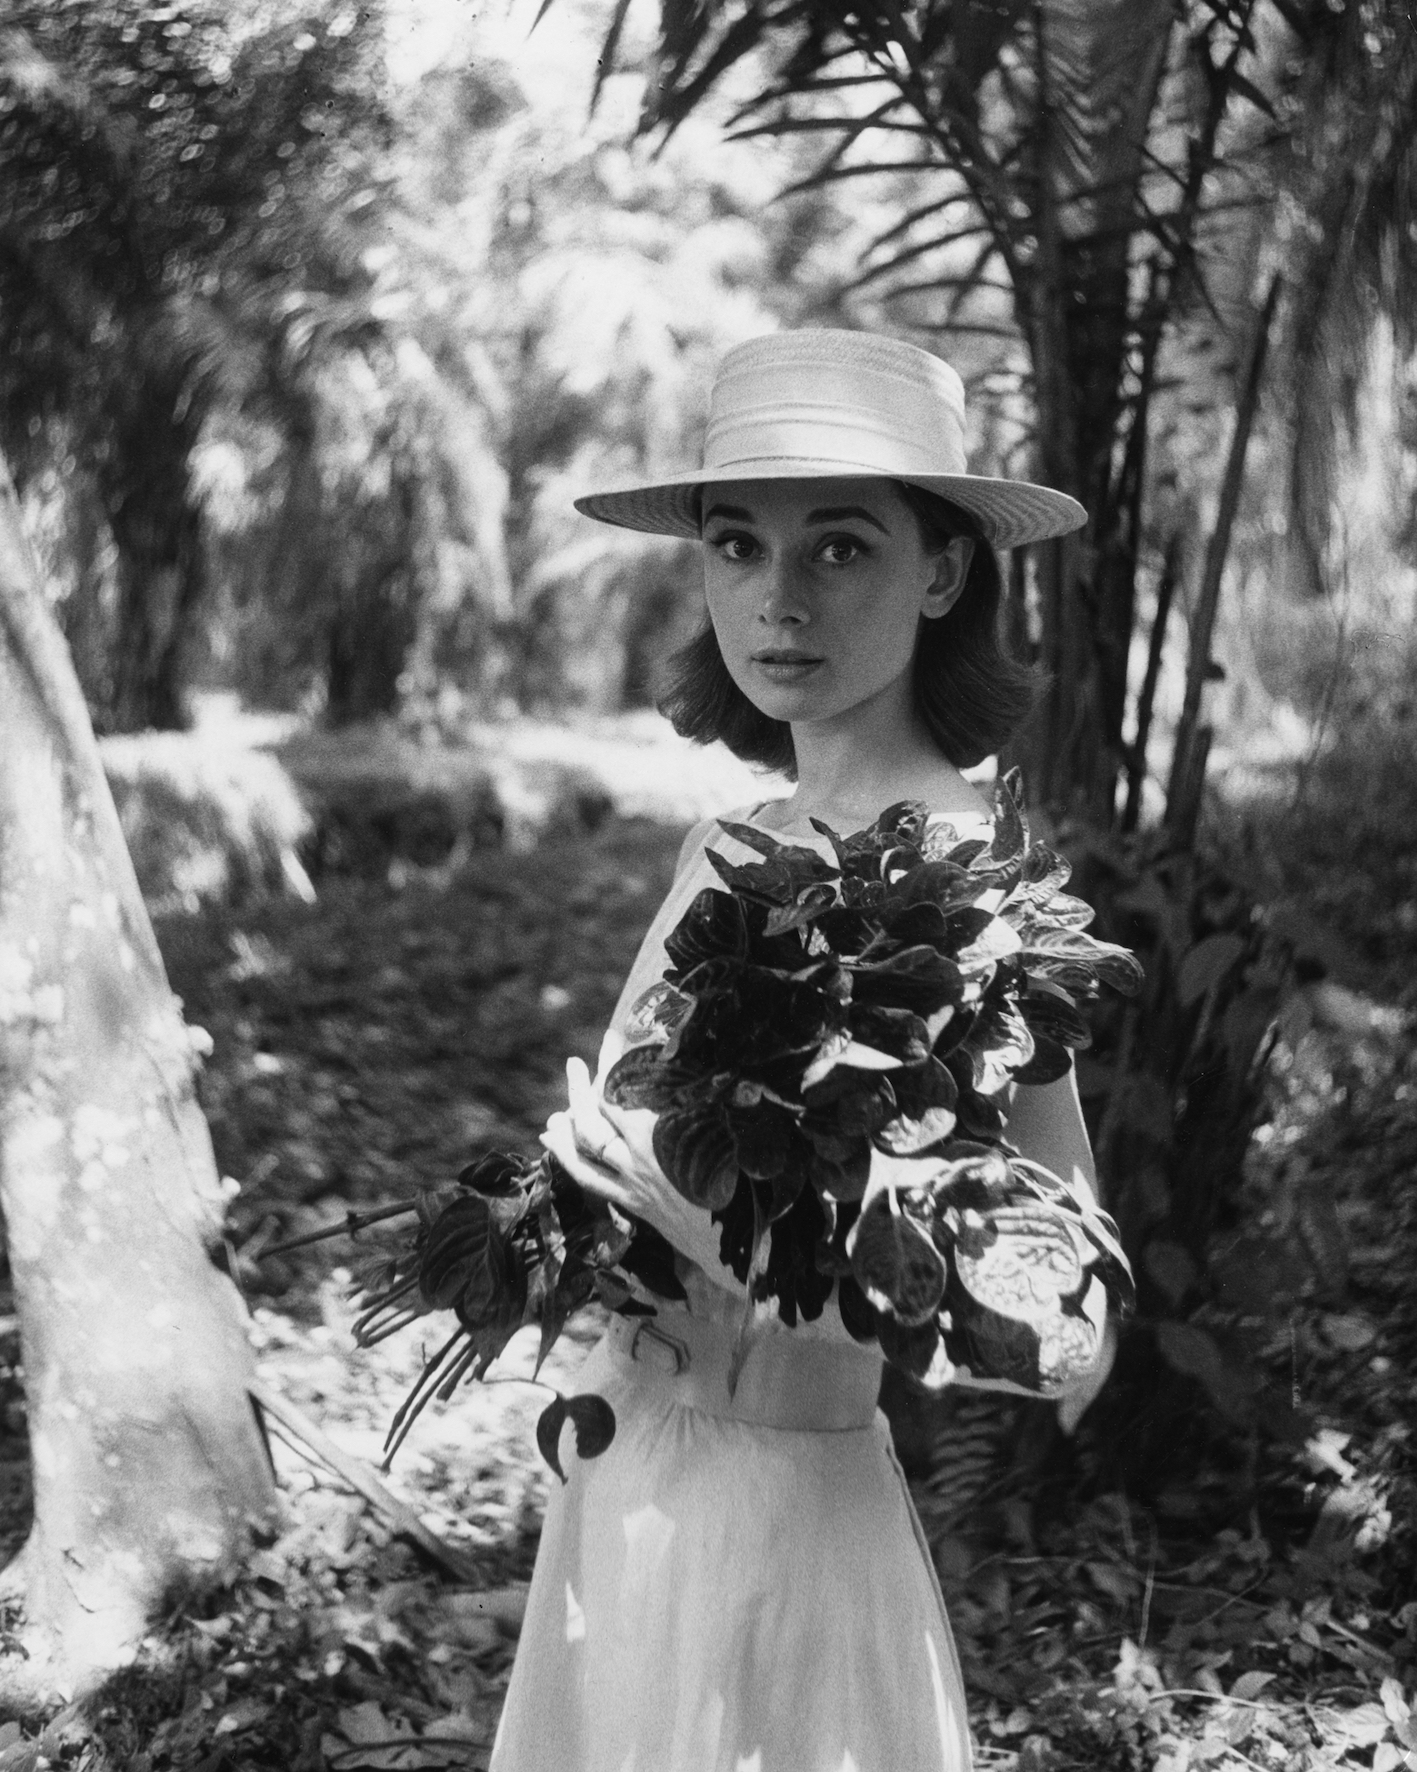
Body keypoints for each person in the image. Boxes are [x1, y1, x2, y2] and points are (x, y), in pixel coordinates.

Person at [491, 330, 1109, 1772]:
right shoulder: (729, 841)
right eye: (735, 544)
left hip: (779, 1531)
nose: (775, 601)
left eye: (838, 549)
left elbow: (1068, 1328)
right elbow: (631, 1141)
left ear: (941, 571)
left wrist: (693, 1210)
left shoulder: (971, 881)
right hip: (619, 1484)